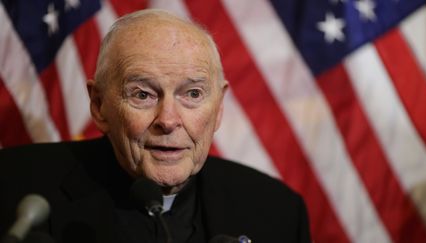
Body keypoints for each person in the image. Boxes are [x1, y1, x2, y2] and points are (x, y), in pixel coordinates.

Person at [0, 9, 310, 243]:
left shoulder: (277, 211)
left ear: (218, 108)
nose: (168, 120)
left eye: (192, 94)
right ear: (99, 105)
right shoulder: (13, 187)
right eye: (143, 94)